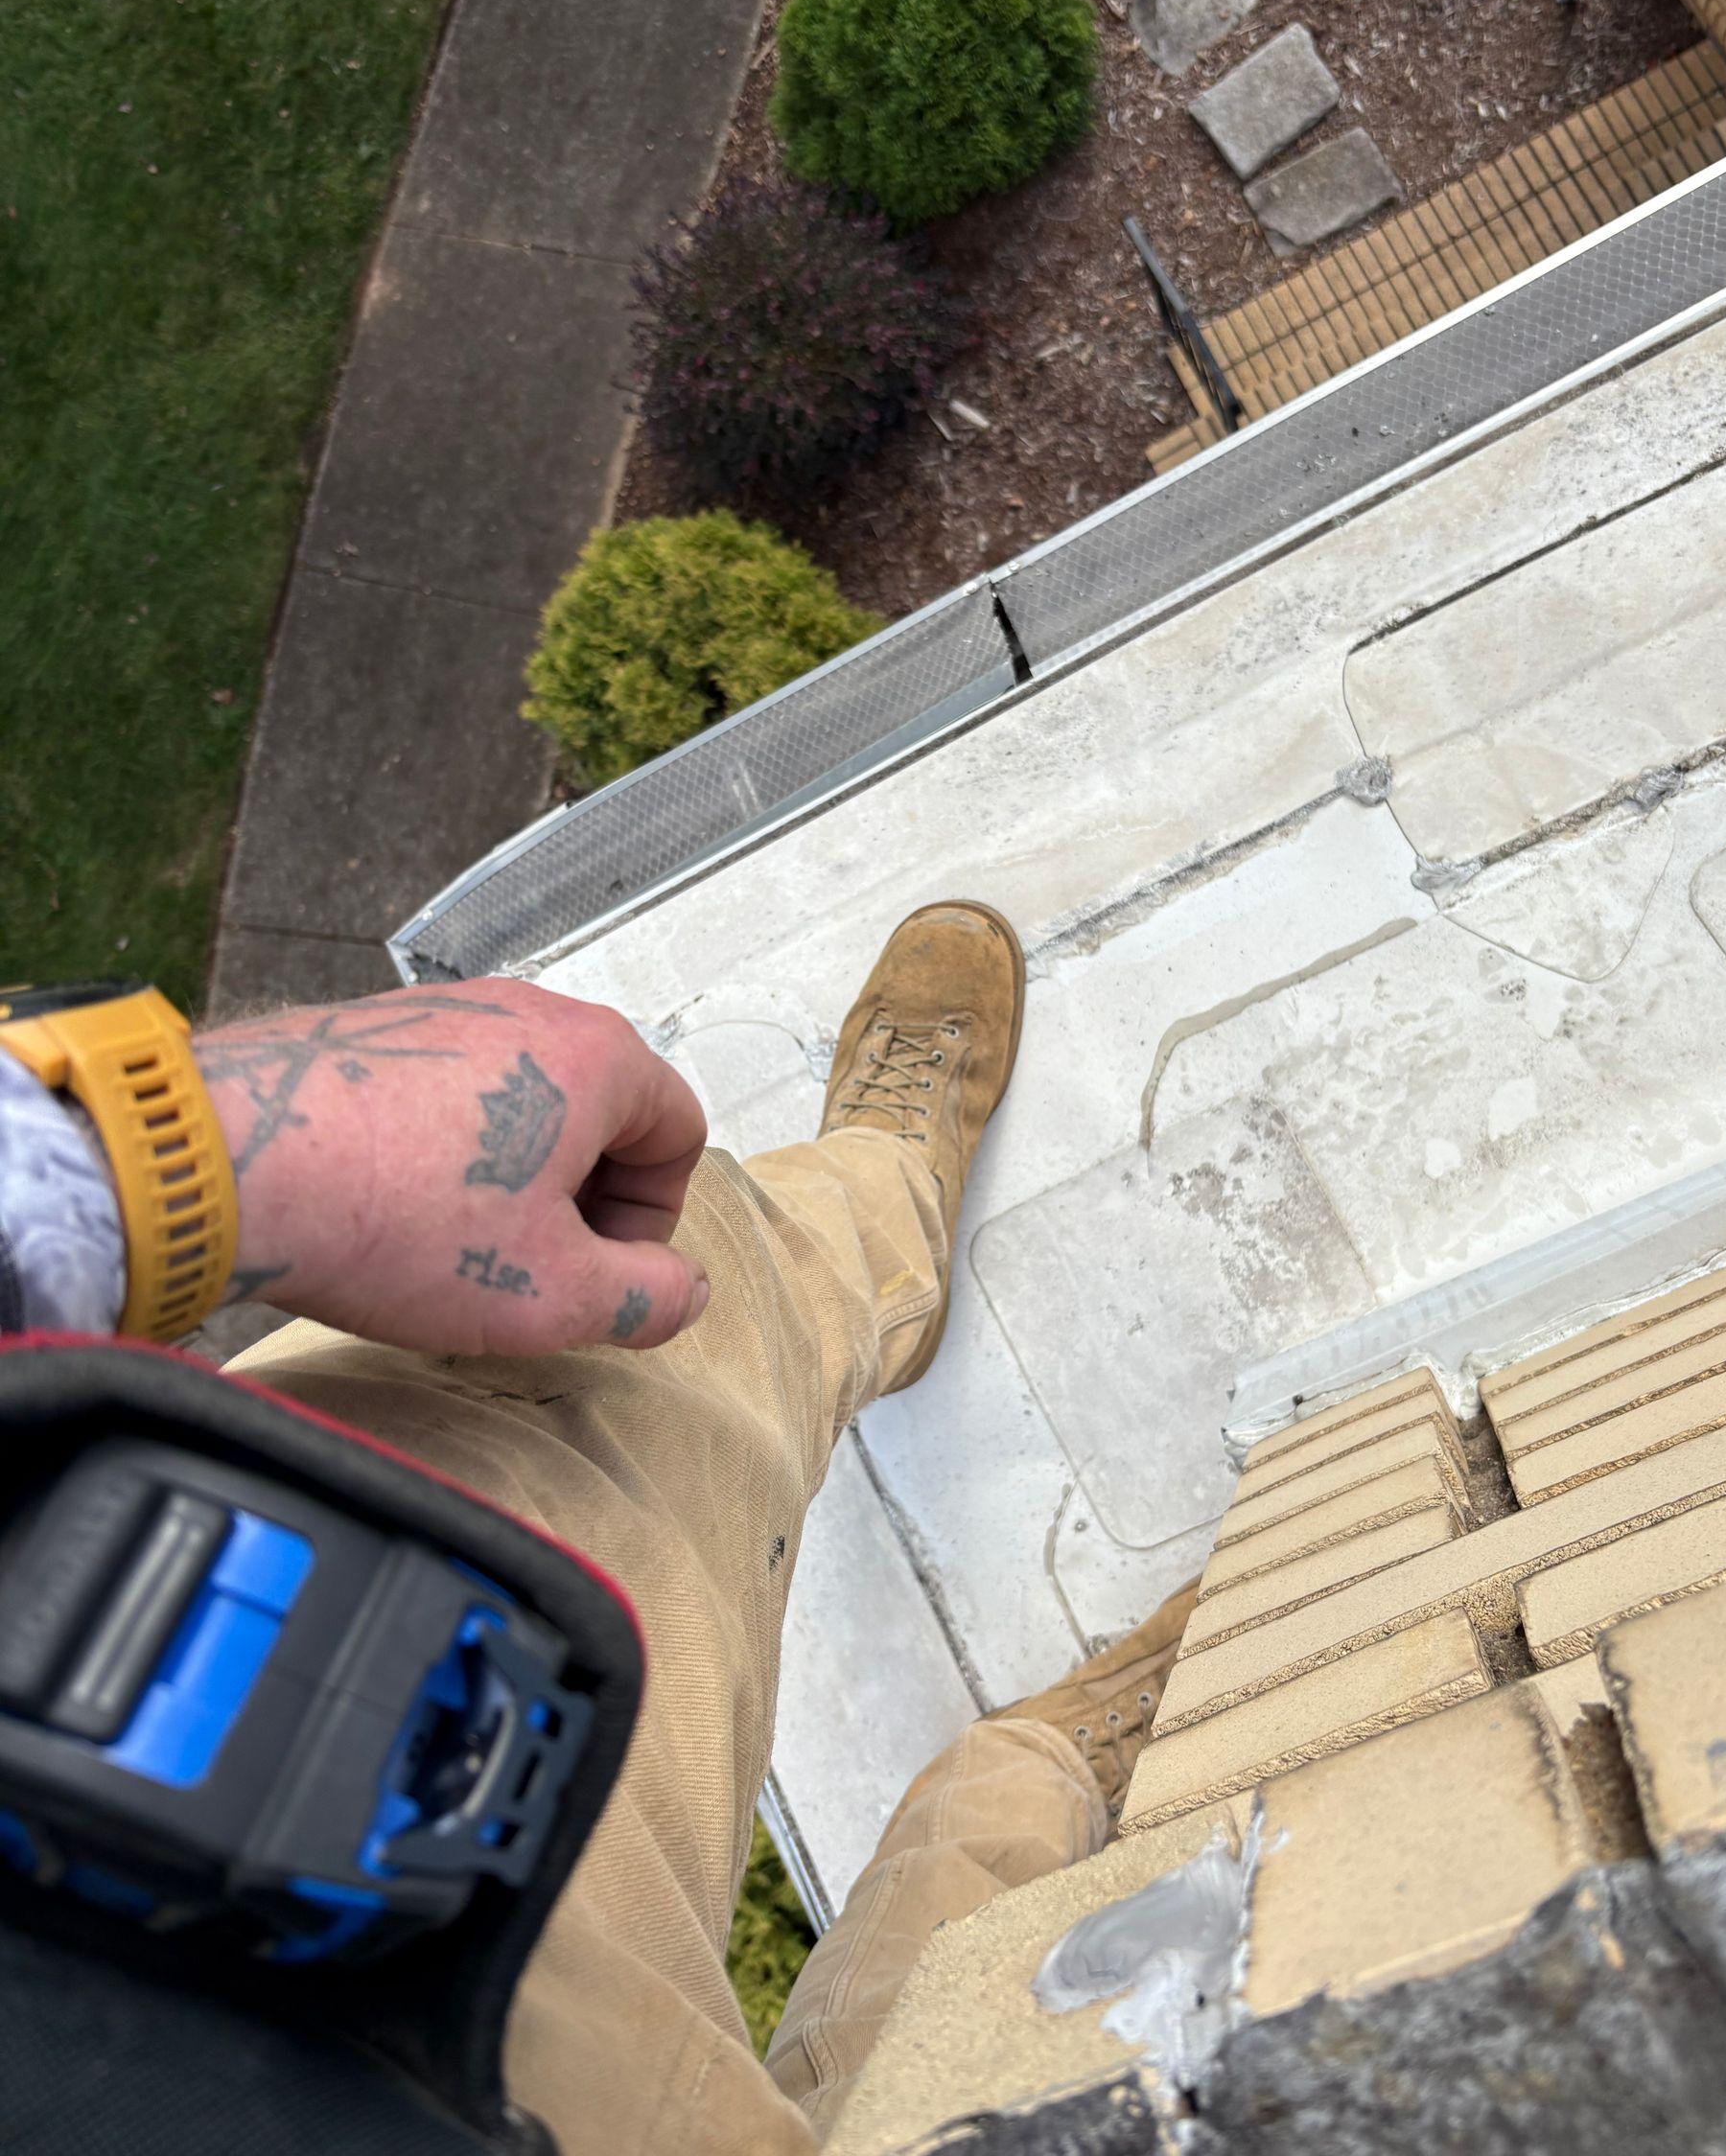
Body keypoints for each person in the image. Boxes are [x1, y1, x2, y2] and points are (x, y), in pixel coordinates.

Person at [0, 904, 1195, 2152]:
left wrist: (156, 1156)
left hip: (222, 1785)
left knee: (647, 1339)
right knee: (969, 2059)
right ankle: (1039, 1779)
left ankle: (880, 1233)